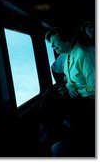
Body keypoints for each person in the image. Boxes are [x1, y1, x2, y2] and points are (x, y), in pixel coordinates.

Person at [39, 26, 95, 156]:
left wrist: (78, 92)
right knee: (49, 94)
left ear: (67, 39)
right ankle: (50, 134)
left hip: (89, 99)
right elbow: (69, 80)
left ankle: (54, 137)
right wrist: (69, 88)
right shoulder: (68, 56)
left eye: (54, 42)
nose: (52, 46)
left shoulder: (83, 54)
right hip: (77, 94)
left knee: (53, 101)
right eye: (50, 44)